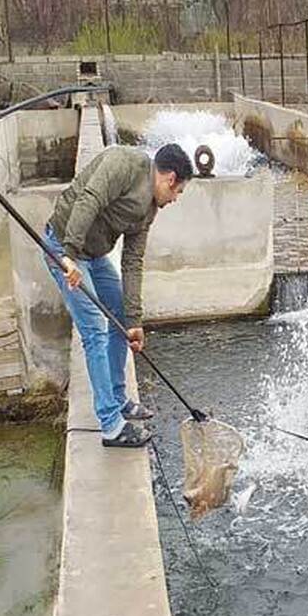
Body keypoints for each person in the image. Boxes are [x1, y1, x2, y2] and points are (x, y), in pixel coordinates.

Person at [44, 143, 193, 448]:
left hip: (95, 255)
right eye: (179, 192)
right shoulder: (123, 163)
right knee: (95, 331)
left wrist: (135, 320)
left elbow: (132, 262)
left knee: (120, 318)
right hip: (64, 248)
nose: (176, 199)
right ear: (170, 179)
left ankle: (118, 396)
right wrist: (69, 255)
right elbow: (89, 199)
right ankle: (111, 425)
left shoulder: (149, 209)